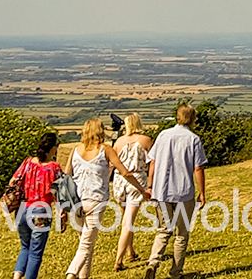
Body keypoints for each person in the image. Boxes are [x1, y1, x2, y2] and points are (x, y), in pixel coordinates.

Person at [64, 117, 150, 279]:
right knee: (86, 246)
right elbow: (125, 172)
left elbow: (66, 177)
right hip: (95, 201)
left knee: (85, 244)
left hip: (76, 202)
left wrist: (63, 207)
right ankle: (71, 274)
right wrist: (142, 189)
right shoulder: (105, 150)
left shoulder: (75, 150)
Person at [145, 104, 208, 279]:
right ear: (193, 119)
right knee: (181, 234)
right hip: (183, 191)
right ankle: (175, 272)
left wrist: (150, 185)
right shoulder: (193, 139)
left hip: (162, 190)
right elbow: (198, 168)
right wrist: (202, 192)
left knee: (163, 230)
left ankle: (153, 263)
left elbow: (153, 162)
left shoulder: (163, 135)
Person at [9, 131, 63, 279]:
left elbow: (12, 182)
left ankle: (16, 276)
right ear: (52, 148)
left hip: (22, 209)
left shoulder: (27, 163)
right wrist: (62, 213)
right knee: (36, 253)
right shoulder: (54, 167)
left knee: (25, 247)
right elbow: (59, 193)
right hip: (41, 210)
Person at [111, 114, 154, 271]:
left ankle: (131, 251)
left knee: (125, 219)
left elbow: (112, 163)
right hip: (136, 180)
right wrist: (149, 185)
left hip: (119, 180)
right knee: (128, 222)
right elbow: (152, 163)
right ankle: (118, 260)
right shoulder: (146, 140)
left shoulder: (118, 142)